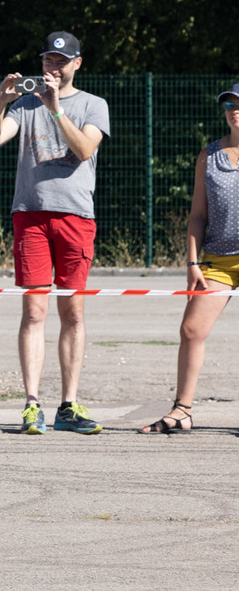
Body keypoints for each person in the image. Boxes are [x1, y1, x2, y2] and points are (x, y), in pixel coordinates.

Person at [0, 30, 110, 435]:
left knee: (72, 312)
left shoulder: (94, 105)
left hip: (75, 216)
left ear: (76, 64)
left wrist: (56, 108)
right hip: (31, 215)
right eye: (47, 62)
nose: (52, 68)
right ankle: (32, 403)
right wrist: (0, 103)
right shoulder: (24, 103)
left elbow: (85, 149)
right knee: (34, 311)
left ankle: (68, 405)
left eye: (60, 61)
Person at [138, 83, 239, 433]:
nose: (234, 109)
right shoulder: (209, 155)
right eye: (229, 104)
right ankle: (182, 411)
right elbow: (197, 214)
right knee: (192, 330)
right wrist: (192, 262)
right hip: (218, 259)